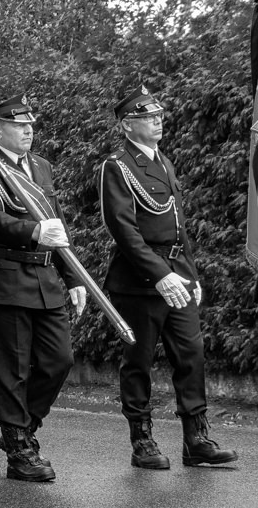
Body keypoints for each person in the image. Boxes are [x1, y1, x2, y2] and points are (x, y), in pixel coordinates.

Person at [99, 85, 237, 469]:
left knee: (191, 355)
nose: (157, 120)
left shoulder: (163, 161)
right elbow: (123, 230)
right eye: (147, 117)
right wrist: (160, 275)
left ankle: (196, 439)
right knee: (139, 360)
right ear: (128, 126)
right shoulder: (118, 165)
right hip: (141, 281)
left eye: (158, 115)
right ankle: (142, 440)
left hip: (177, 273)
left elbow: (179, 228)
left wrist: (190, 276)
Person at [0, 94, 86, 483]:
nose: (28, 130)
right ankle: (18, 446)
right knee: (11, 368)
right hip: (5, 277)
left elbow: (57, 225)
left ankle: (24, 426)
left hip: (47, 278)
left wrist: (74, 278)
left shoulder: (41, 167)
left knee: (59, 360)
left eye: (30, 124)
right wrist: (32, 231)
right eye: (19, 125)